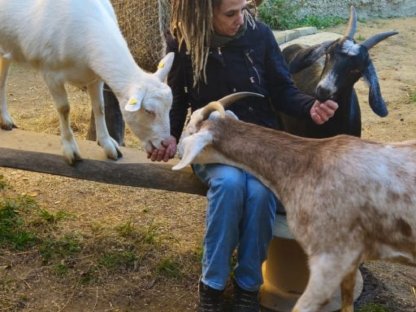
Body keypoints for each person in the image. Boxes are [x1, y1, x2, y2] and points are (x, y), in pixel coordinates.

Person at [149, 0, 338, 311]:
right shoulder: (183, 42)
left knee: (260, 193)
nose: (241, 19)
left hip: (260, 144)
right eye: (230, 13)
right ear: (203, 12)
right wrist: (168, 138)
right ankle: (212, 285)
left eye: (244, 9)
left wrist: (310, 107)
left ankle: (248, 287)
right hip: (212, 144)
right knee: (230, 185)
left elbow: (282, 90)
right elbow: (178, 98)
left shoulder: (259, 35)